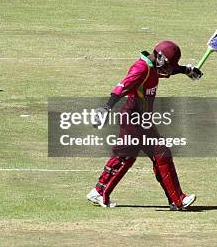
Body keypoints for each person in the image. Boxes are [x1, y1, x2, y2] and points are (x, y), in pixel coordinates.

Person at [86, 41, 202, 210]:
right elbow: (122, 86)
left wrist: (187, 70)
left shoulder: (155, 66)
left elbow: (169, 70)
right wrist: (106, 107)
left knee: (148, 155)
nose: (170, 69)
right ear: (160, 58)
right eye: (169, 65)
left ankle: (177, 200)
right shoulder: (141, 68)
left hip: (143, 119)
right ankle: (177, 200)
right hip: (132, 119)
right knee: (132, 156)